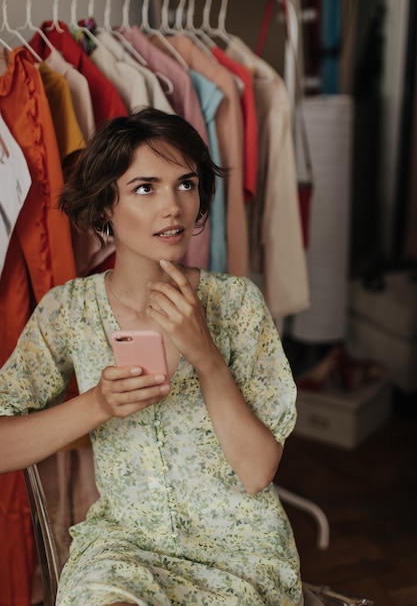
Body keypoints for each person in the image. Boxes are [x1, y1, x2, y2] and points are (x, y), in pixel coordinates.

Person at [0, 107, 303, 606]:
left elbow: (257, 471)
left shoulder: (236, 304)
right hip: (126, 548)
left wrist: (205, 356)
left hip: (242, 554)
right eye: (146, 188)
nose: (174, 207)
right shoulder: (68, 312)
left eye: (186, 184)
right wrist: (96, 404)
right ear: (104, 207)